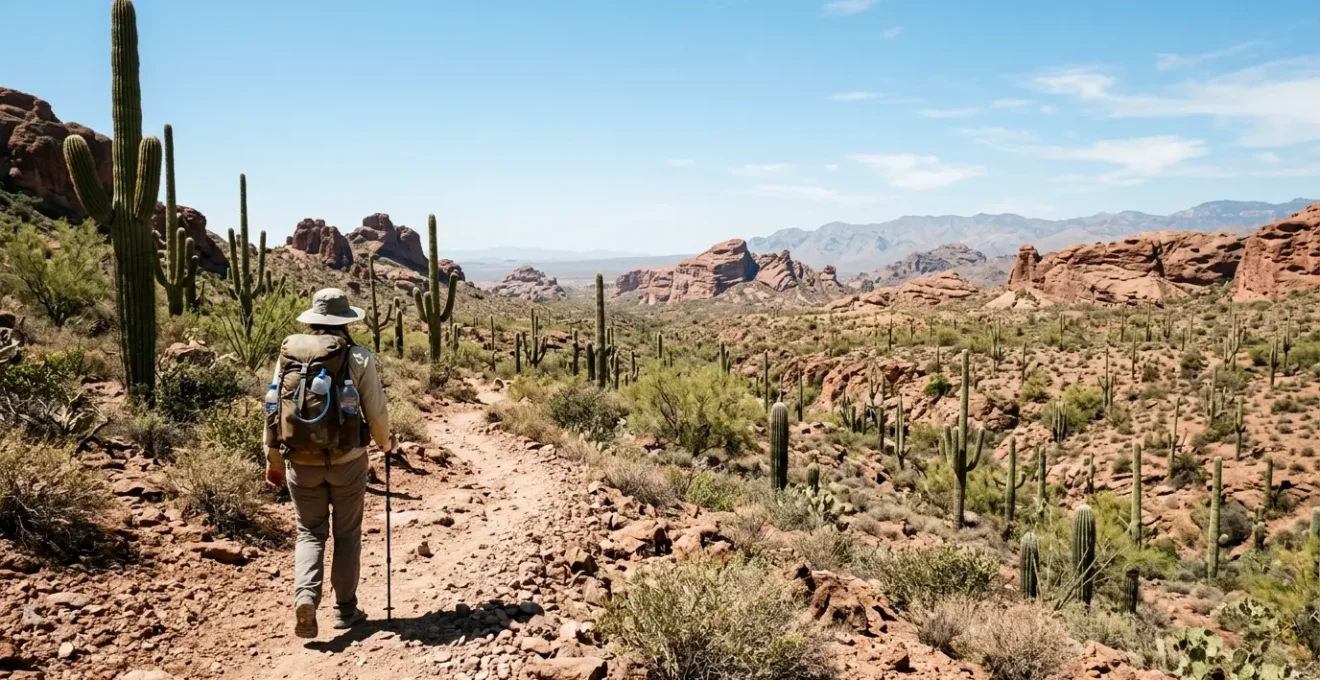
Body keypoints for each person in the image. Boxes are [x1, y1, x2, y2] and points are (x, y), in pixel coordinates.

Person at [264, 288, 394, 639]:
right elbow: (376, 410)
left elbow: (273, 406)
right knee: (347, 534)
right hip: (347, 459)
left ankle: (305, 598)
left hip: (299, 461)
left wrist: (273, 457)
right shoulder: (359, 357)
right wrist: (385, 443)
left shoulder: (288, 354)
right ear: (345, 321)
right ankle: (345, 609)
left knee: (310, 532)